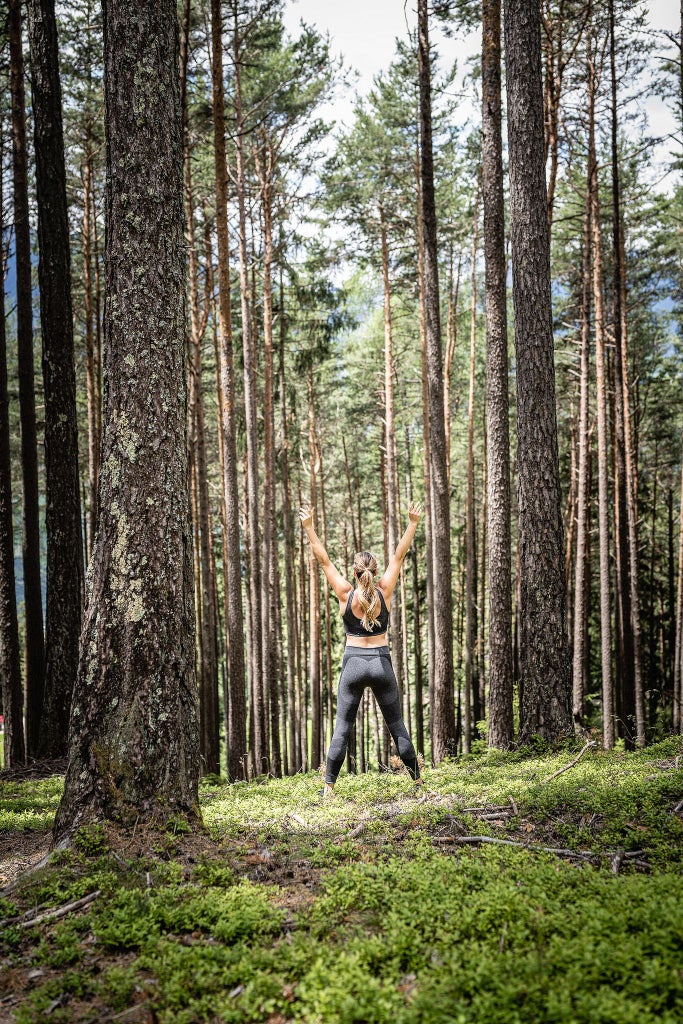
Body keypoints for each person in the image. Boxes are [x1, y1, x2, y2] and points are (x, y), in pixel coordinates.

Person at [298, 500, 424, 799]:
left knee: (342, 727)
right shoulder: (386, 589)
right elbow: (399, 555)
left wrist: (309, 528)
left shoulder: (345, 593)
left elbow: (324, 561)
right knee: (397, 726)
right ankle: (419, 786)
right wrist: (413, 523)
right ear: (373, 571)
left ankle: (328, 790)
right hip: (381, 663)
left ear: (355, 574)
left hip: (354, 663)